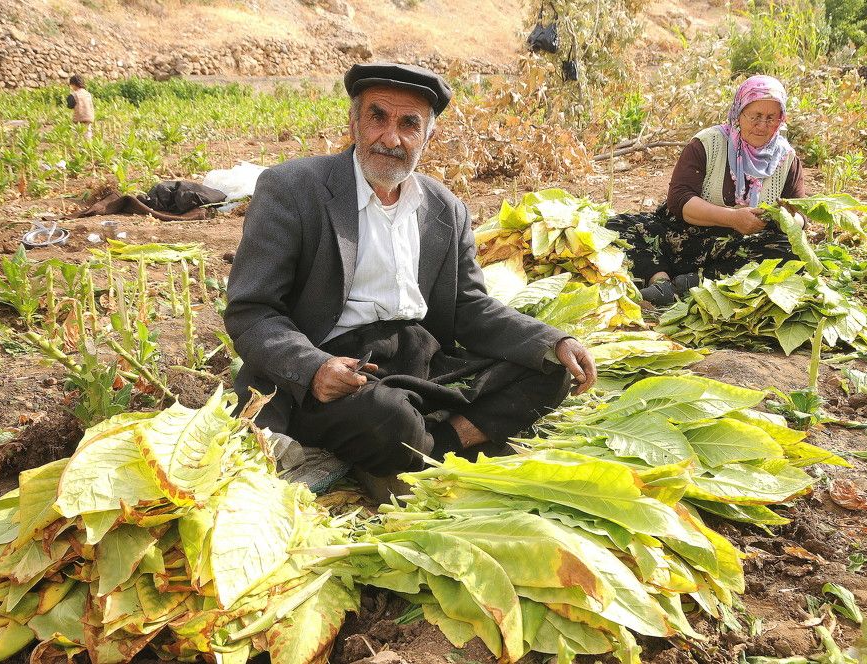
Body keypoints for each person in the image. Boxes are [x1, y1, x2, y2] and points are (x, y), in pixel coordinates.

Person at [224, 62, 596, 491]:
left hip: (421, 359)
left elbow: (469, 306)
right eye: (377, 117)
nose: (391, 138)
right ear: (354, 121)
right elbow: (252, 310)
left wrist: (554, 340)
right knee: (387, 417)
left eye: (408, 124)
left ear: (428, 136)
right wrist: (314, 368)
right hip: (337, 364)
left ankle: (421, 449)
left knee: (550, 368)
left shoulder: (444, 207)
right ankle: (423, 443)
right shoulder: (293, 188)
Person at [607, 74, 806, 305]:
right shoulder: (708, 143)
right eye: (755, 116)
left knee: (791, 253)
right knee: (616, 226)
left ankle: (689, 284)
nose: (762, 126)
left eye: (771, 118)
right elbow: (679, 200)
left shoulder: (787, 159)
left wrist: (782, 218)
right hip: (683, 237)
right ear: (738, 113)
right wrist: (732, 218)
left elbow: (800, 214)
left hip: (739, 247)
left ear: (781, 119)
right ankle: (659, 278)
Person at [67, 75, 95, 140]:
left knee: (77, 133)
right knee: (87, 132)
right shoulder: (88, 93)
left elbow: (70, 105)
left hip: (79, 118)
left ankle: (78, 146)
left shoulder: (74, 94)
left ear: (73, 84)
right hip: (89, 117)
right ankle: (88, 145)